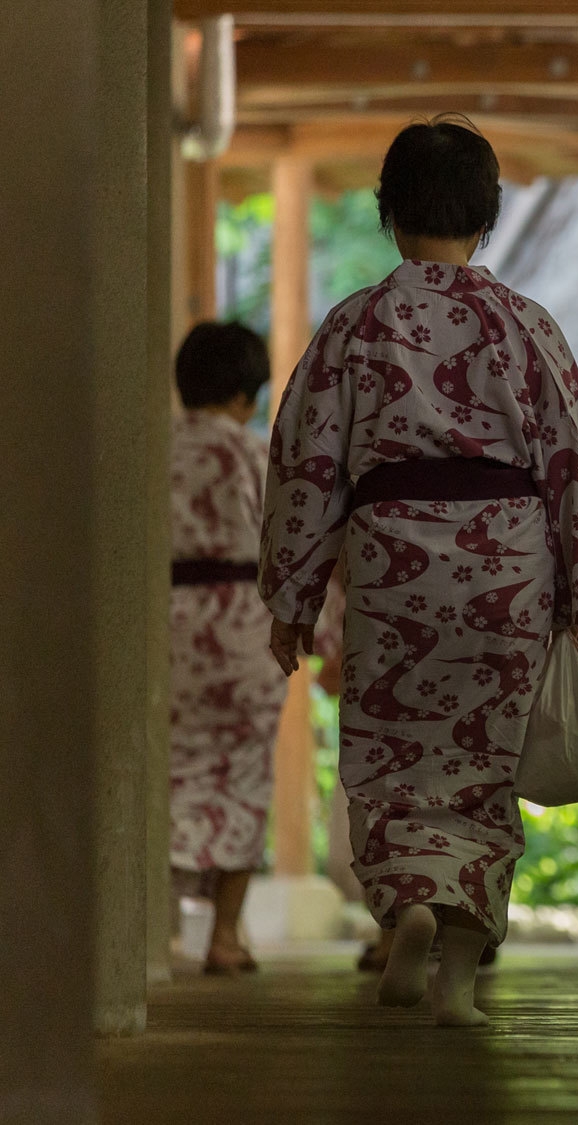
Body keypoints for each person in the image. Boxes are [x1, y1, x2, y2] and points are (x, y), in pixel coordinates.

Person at [259, 115, 578, 1027]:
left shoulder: (356, 322)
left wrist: (294, 595)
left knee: (393, 758)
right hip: (506, 567)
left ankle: (409, 909)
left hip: (392, 566)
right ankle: (460, 978)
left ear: (388, 212)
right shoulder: (526, 323)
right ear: (490, 216)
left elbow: (306, 464)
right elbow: (573, 455)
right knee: (482, 766)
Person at [168, 321, 290, 975]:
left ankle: (144, 929)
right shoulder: (253, 453)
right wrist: (321, 635)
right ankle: (224, 936)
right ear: (247, 395)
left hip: (164, 627)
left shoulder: (148, 449)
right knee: (243, 776)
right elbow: (293, 546)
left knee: (159, 771)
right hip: (243, 627)